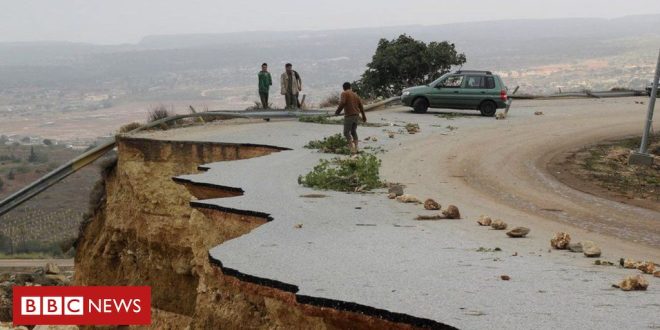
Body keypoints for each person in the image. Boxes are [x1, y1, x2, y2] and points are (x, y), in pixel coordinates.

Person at [335, 82, 366, 154]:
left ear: (343, 88)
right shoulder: (355, 95)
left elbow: (342, 102)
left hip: (349, 116)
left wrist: (337, 112)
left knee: (346, 132)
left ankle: (351, 147)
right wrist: (364, 116)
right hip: (356, 115)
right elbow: (361, 106)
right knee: (353, 131)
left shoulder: (344, 93)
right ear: (350, 87)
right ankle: (356, 147)